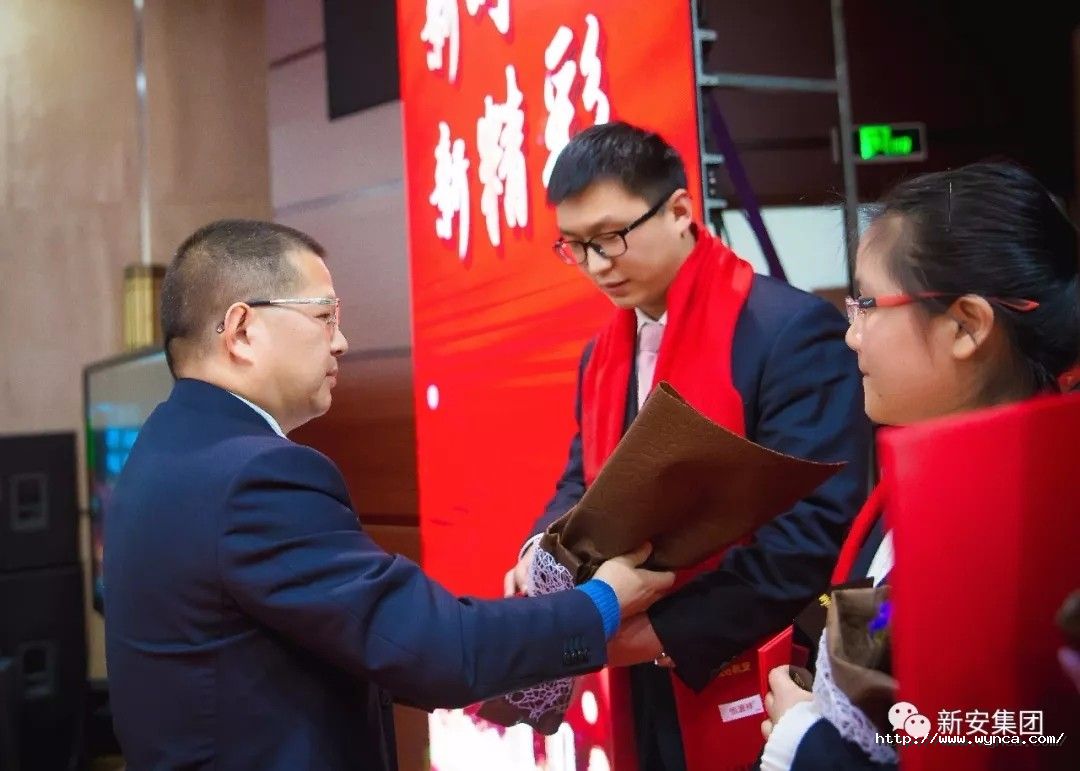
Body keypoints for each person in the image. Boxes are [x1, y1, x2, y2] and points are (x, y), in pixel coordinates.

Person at [103, 220, 675, 771]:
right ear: (243, 330)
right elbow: (432, 648)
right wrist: (599, 604)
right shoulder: (258, 478)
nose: (341, 342)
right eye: (324, 317)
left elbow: (358, 643)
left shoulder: (160, 452)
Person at [503, 122, 871, 770]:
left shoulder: (788, 332)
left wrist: (659, 632)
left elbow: (814, 527)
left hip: (749, 658)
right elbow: (583, 482)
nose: (596, 264)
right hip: (636, 657)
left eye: (610, 237)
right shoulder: (601, 354)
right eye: (576, 246)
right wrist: (540, 555)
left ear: (678, 210)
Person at [760, 161, 1080, 768]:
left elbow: (993, 744)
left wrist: (804, 738)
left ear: (966, 325)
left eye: (867, 304)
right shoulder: (937, 478)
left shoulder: (1023, 534)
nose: (851, 335)